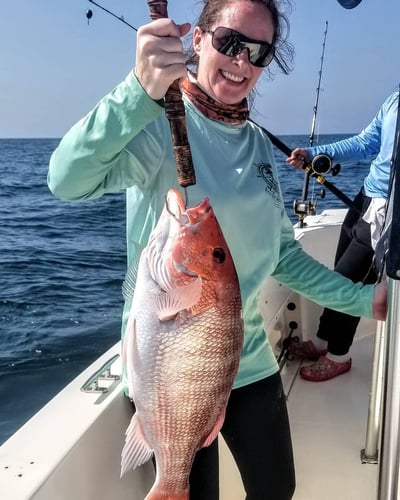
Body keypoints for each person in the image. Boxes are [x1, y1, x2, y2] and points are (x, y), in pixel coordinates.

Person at [48, 0, 386, 497]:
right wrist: (139, 91)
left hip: (248, 359)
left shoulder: (254, 144)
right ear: (198, 39)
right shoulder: (155, 124)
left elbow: (281, 255)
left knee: (277, 489)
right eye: (230, 42)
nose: (242, 60)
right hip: (173, 371)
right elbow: (65, 180)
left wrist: (365, 301)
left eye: (258, 51)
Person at [286, 89, 397, 382]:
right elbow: (365, 142)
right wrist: (315, 154)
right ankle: (323, 339)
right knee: (340, 275)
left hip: (388, 209)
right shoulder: (394, 98)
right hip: (366, 196)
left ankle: (339, 355)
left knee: (353, 279)